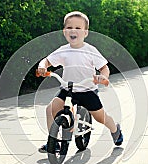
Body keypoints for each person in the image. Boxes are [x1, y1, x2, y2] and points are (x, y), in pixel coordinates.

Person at [36, 11, 123, 153]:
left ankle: (115, 130)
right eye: (69, 28)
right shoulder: (63, 51)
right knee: (50, 109)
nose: (73, 31)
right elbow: (47, 60)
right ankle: (53, 141)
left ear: (85, 32)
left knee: (100, 117)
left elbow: (104, 68)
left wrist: (103, 77)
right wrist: (42, 66)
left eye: (78, 28)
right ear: (64, 32)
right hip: (68, 89)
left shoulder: (90, 51)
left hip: (87, 90)